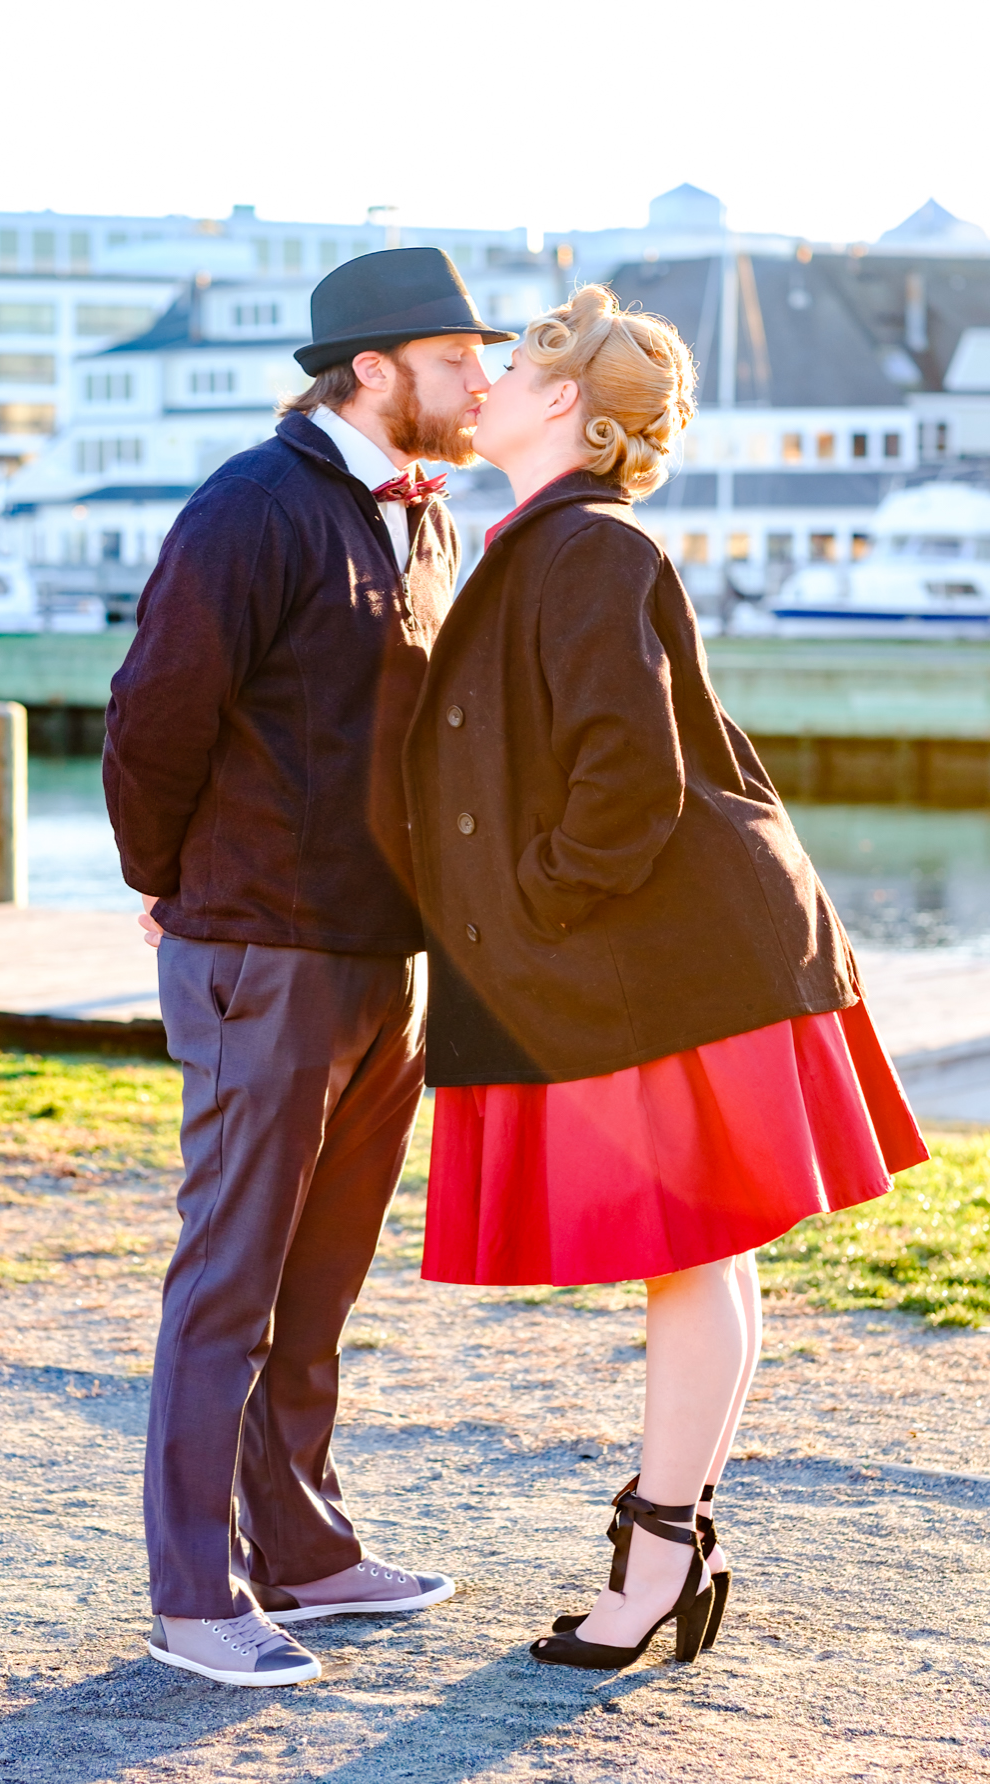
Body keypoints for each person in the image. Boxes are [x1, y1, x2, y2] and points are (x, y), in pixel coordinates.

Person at [407, 284, 927, 1670]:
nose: (489, 382)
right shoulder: (553, 542)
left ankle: (653, 1573)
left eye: (513, 365)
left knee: (689, 1259)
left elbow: (624, 785)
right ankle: (670, 1555)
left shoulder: (582, 551)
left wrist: (526, 908)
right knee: (701, 1258)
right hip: (684, 953)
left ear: (566, 407)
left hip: (673, 960)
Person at [103, 248, 512, 1685]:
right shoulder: (252, 507)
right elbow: (155, 715)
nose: (486, 382)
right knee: (230, 1277)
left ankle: (307, 1551)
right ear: (377, 371)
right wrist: (164, 882)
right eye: (463, 360)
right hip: (258, 951)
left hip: (381, 958)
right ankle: (195, 1599)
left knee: (321, 1278)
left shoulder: (432, 523)